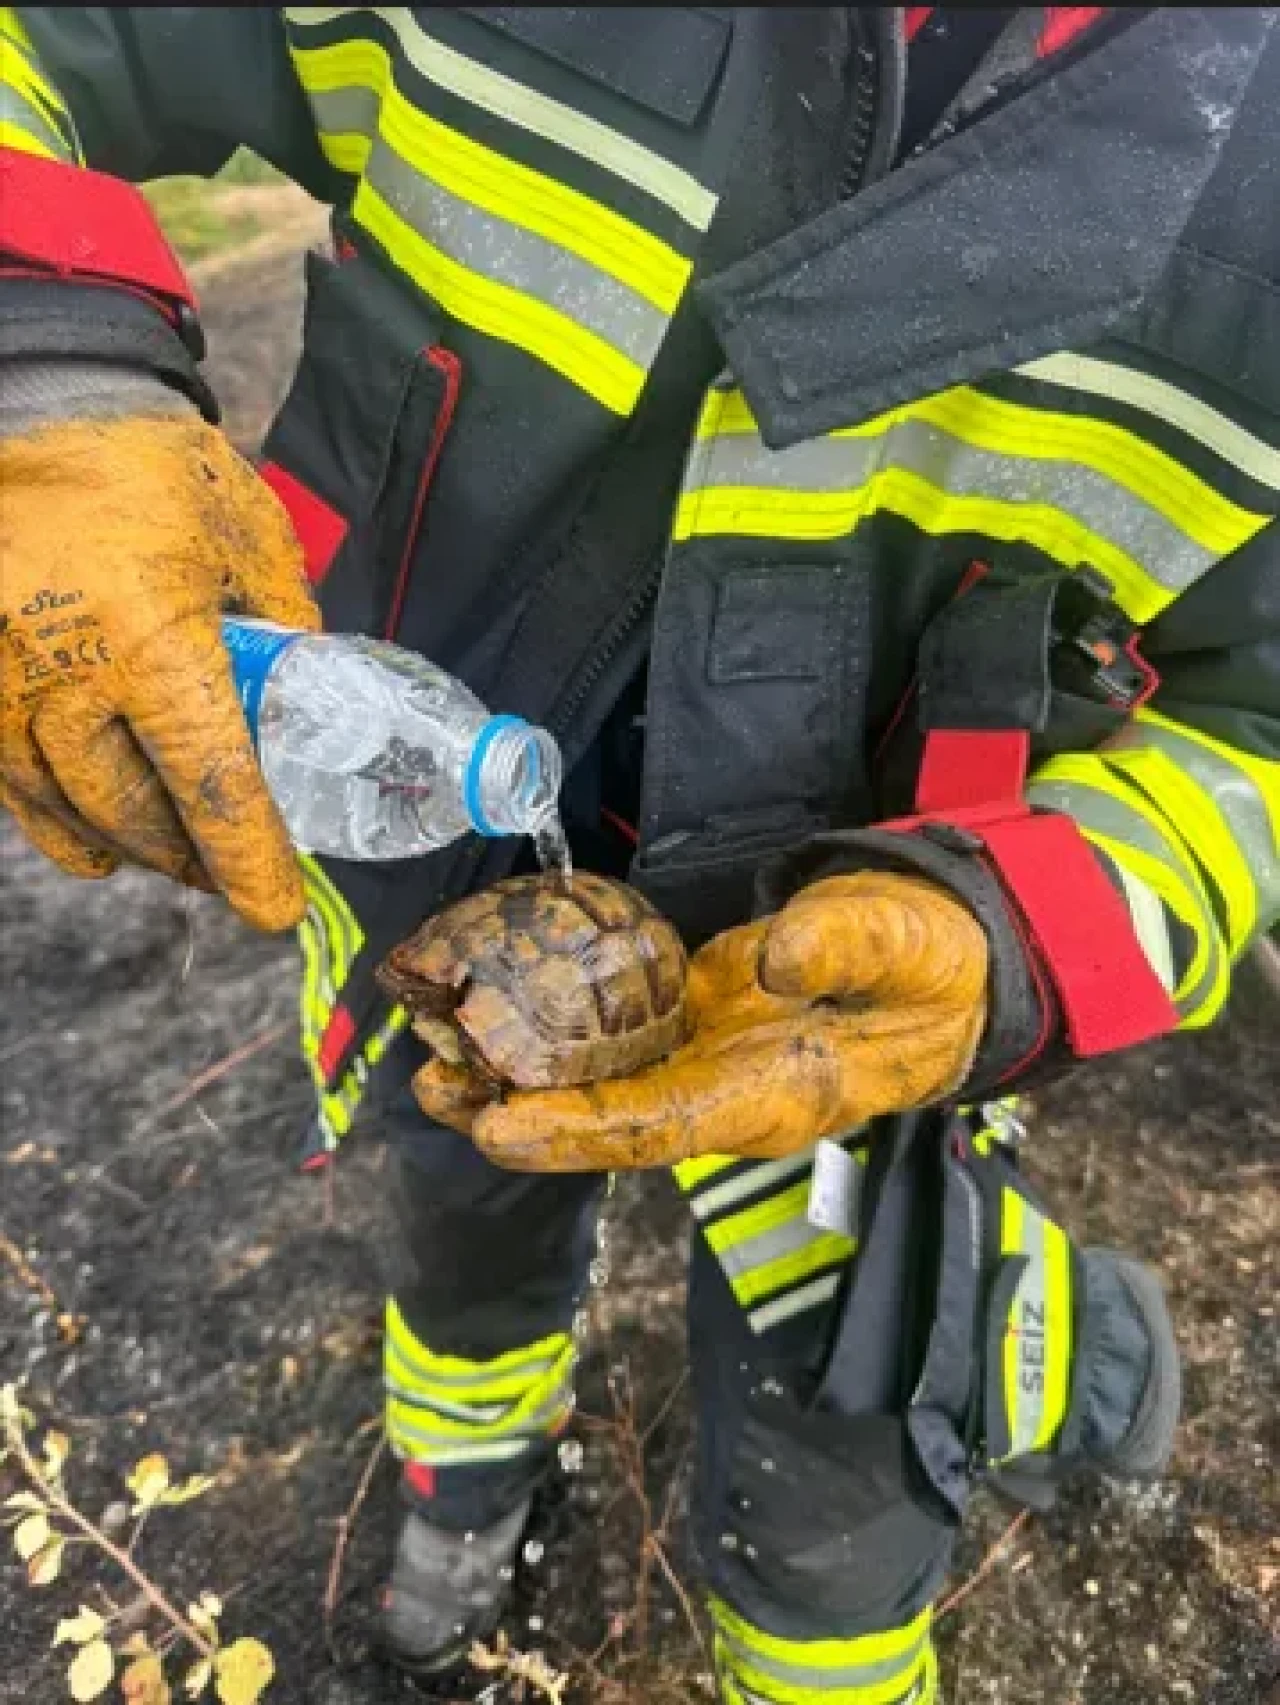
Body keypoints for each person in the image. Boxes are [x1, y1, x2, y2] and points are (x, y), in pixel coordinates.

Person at [2, 7, 1277, 1700]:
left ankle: (849, 1627)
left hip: (857, 953)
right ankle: (467, 1480)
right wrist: (47, 366)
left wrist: (1009, 936)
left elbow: (1254, 725)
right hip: (430, 840)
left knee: (846, 1396)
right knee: (454, 1194)